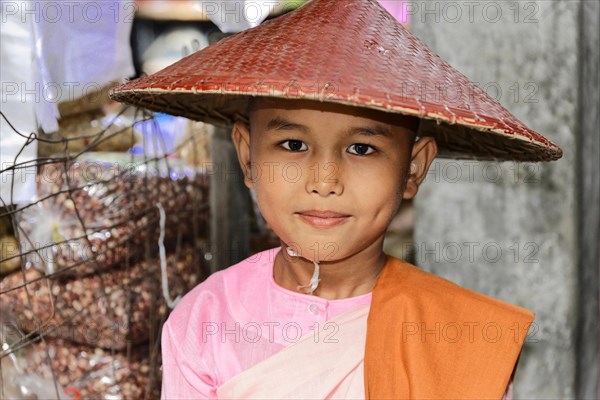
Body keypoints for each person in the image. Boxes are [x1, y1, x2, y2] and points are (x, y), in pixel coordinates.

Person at [110, 0, 563, 398]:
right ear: (248, 158)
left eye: (361, 149)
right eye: (293, 145)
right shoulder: (205, 321)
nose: (324, 181)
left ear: (414, 168)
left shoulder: (460, 338)